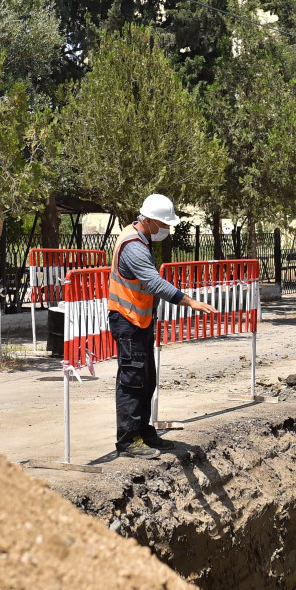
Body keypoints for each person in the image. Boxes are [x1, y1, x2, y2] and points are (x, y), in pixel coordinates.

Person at [108, 194, 217, 459]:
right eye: (165, 224)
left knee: (146, 380)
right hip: (127, 320)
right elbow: (155, 283)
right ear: (152, 220)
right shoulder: (133, 246)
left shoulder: (140, 238)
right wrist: (190, 301)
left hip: (139, 320)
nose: (166, 230)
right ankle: (127, 440)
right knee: (132, 381)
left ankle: (143, 432)